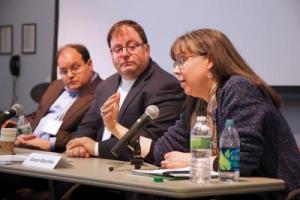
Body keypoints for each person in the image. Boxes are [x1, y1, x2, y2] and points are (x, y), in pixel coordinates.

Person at [152, 28, 300, 197]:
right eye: (175, 63)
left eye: (182, 60)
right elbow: (162, 153)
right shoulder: (199, 102)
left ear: (209, 60)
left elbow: (241, 161)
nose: (175, 70)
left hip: (277, 194)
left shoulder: (238, 89)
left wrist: (194, 161)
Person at [65, 20, 184, 163]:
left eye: (132, 46)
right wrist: (79, 145)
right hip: (91, 163)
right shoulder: (105, 85)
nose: (125, 54)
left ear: (147, 49)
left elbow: (152, 139)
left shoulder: (165, 85)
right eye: (117, 49)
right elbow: (88, 125)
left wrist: (95, 148)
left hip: (130, 169)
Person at [14, 43, 102, 152]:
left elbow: (90, 135)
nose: (70, 75)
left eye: (75, 68)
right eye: (64, 71)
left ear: (89, 64)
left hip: (57, 153)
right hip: (28, 145)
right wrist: (23, 134)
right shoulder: (56, 86)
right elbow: (38, 115)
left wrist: (49, 143)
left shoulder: (102, 91)